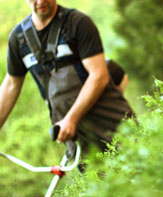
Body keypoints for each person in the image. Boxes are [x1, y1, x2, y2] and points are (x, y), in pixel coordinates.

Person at [0, 0, 134, 152]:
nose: (40, 1)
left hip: (113, 125)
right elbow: (11, 86)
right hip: (77, 137)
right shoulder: (18, 39)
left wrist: (71, 119)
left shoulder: (78, 23)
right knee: (93, 175)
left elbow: (99, 76)